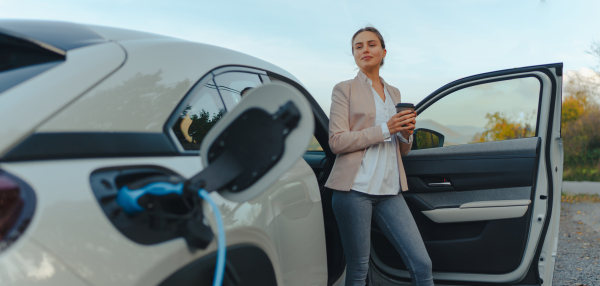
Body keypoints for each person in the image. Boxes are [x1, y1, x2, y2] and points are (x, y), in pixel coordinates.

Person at [325, 26, 434, 286]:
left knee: (422, 264)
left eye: (371, 44)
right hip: (354, 191)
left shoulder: (394, 93)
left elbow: (401, 149)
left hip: (389, 191)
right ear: (353, 54)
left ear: (383, 52)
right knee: (359, 269)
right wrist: (387, 128)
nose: (365, 50)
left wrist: (406, 133)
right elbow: (336, 141)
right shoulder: (344, 89)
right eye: (358, 46)